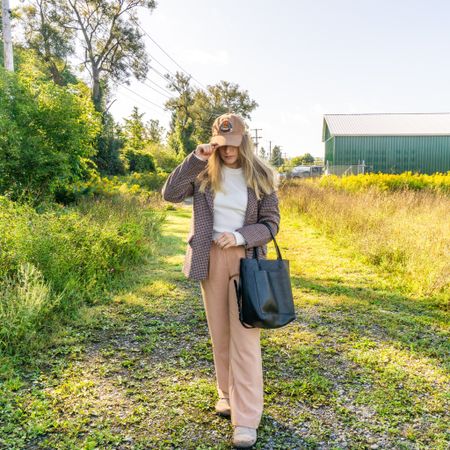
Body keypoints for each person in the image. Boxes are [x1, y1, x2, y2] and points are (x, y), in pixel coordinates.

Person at [161, 113, 280, 448]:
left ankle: (246, 418)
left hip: (247, 263)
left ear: (245, 140)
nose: (229, 151)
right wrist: (195, 158)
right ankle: (226, 394)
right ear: (214, 142)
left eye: (234, 143)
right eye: (221, 145)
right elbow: (170, 194)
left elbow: (271, 225)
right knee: (221, 335)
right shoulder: (202, 173)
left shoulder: (262, 176)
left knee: (245, 339)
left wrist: (241, 236)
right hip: (209, 259)